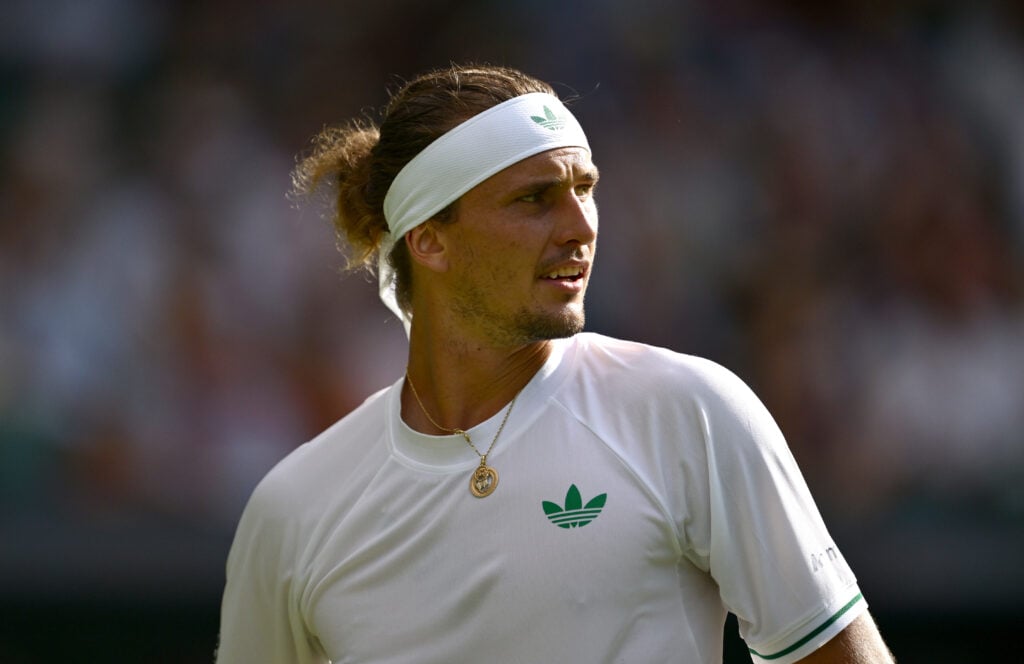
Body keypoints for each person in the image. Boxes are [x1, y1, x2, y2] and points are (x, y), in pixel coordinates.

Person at [216, 64, 895, 663]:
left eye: (585, 187)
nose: (581, 225)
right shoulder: (292, 510)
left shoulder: (693, 411)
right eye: (534, 198)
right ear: (428, 240)